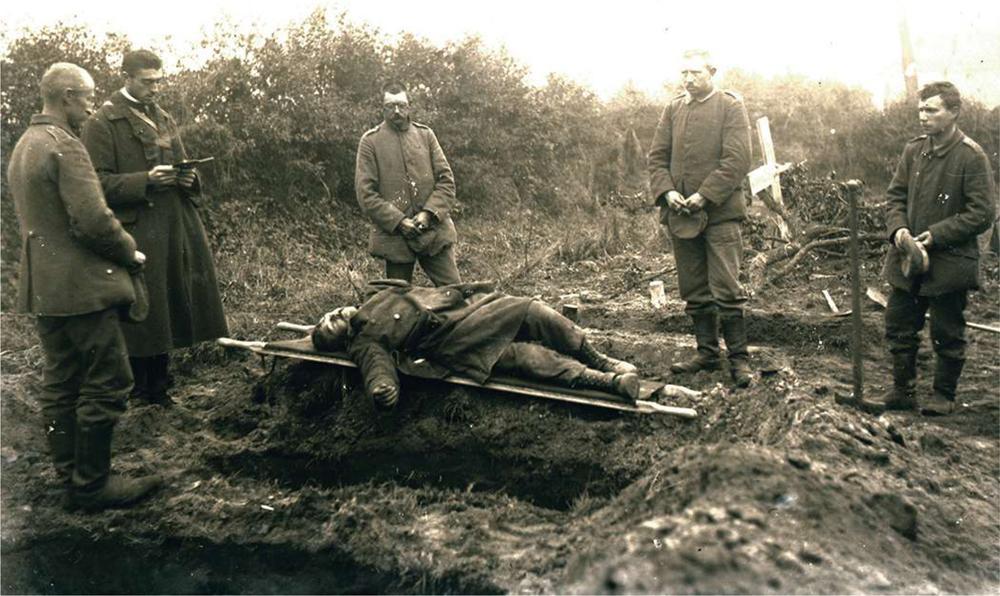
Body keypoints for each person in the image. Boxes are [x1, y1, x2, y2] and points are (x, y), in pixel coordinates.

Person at [8, 63, 162, 511]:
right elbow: (93, 220)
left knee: (62, 382)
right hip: (82, 291)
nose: (92, 105)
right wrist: (130, 251)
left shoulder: (25, 145)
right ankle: (92, 485)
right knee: (110, 379)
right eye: (88, 96)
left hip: (46, 289)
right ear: (67, 97)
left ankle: (71, 478)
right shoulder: (65, 146)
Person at [82, 49, 228, 406]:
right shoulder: (102, 122)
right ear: (126, 78)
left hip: (174, 225)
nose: (155, 89)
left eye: (158, 81)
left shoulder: (162, 117)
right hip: (136, 228)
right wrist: (144, 180)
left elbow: (182, 165)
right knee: (141, 310)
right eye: (147, 82)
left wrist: (189, 177)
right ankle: (139, 391)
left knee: (168, 306)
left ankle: (160, 387)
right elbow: (94, 184)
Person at [863, 81, 995, 416]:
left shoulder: (971, 156)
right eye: (921, 109)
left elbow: (982, 213)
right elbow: (895, 197)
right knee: (898, 323)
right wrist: (899, 230)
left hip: (949, 260)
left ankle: (944, 395)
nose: (923, 116)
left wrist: (936, 235)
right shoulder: (914, 150)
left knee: (946, 329)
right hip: (908, 256)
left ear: (953, 112)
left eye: (932, 109)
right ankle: (902, 392)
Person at [310, 280, 640, 409]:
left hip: (465, 309)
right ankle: (609, 382)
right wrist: (382, 388)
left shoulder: (376, 294)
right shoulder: (363, 339)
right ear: (341, 339)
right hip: (450, 341)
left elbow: (426, 291)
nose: (335, 313)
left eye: (330, 313)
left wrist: (468, 289)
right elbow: (376, 366)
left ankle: (600, 360)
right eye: (331, 324)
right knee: (521, 357)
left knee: (533, 310)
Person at [647, 49, 753, 387]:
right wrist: (667, 193)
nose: (688, 79)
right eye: (684, 73)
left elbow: (737, 160)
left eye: (695, 73)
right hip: (681, 215)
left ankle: (739, 360)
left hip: (720, 215)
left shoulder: (730, 106)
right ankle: (707, 353)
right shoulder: (674, 108)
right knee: (694, 288)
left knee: (726, 288)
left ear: (712, 71)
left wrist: (704, 195)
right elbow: (657, 158)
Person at [355, 81, 462, 286]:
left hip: (434, 233)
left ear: (409, 106)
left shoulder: (426, 135)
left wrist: (428, 214)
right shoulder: (370, 142)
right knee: (398, 306)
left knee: (456, 293)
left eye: (401, 105)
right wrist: (399, 222)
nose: (396, 111)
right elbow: (365, 194)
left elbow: (446, 181)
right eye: (390, 106)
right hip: (395, 238)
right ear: (382, 108)